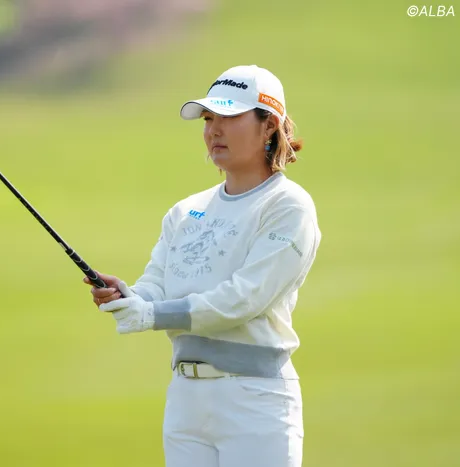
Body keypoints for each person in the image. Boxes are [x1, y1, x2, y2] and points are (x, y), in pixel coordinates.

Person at [83, 64, 322, 467]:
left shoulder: (287, 205)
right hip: (185, 402)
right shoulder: (185, 210)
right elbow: (157, 286)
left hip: (255, 401)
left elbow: (244, 299)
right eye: (209, 119)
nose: (214, 130)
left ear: (268, 125)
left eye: (229, 117)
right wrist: (128, 296)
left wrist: (150, 314)